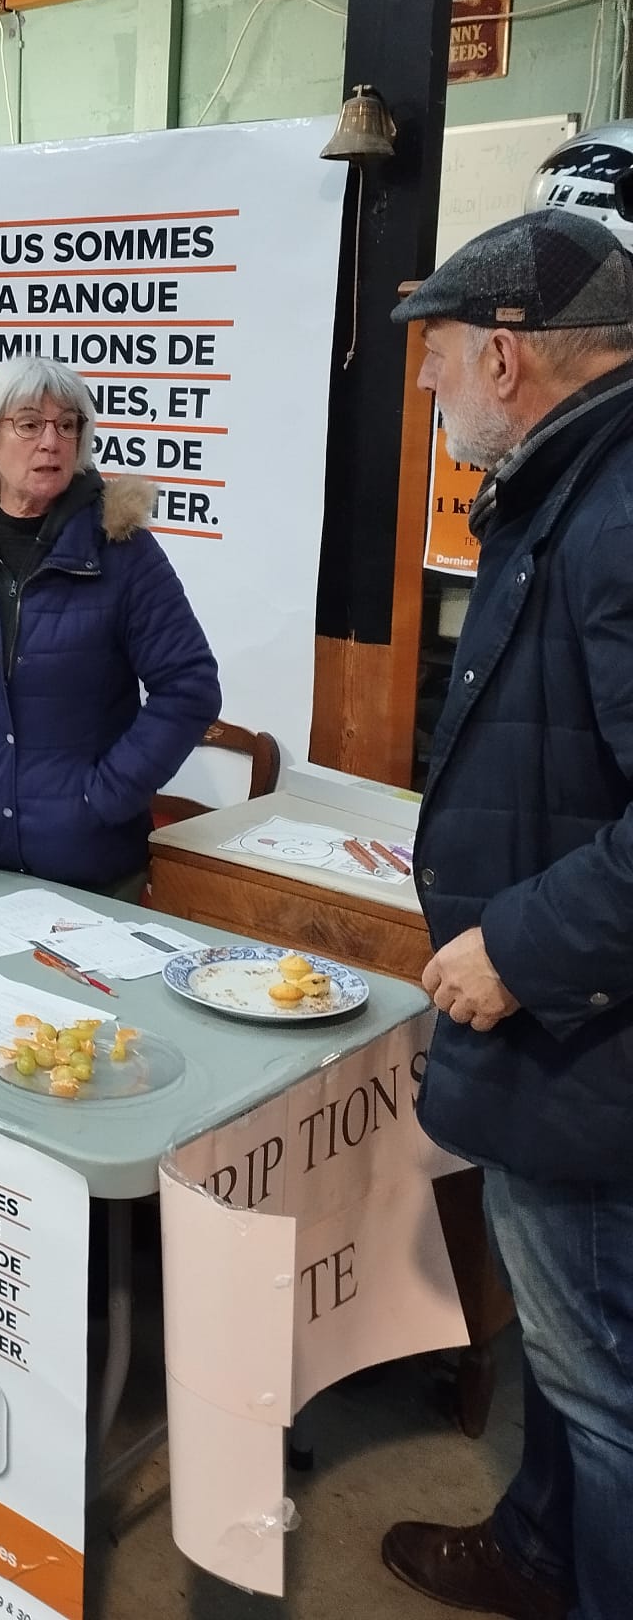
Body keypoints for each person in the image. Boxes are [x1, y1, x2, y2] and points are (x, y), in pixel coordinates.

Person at [381, 212, 633, 1620]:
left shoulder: (617, 510)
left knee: (608, 1392)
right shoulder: (575, 489)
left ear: (504, 354)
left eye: (434, 363)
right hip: (566, 1041)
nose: (427, 392)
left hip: (588, 1038)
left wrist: (516, 948)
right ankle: (543, 1555)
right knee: (570, 1357)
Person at [0, 360, 221, 890]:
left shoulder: (120, 551)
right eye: (30, 424)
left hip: (90, 871)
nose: (52, 442)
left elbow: (189, 688)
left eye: (68, 425)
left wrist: (102, 797)